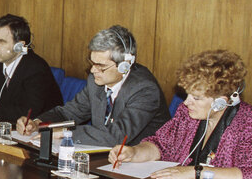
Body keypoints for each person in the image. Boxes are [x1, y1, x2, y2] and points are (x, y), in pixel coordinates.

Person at [108, 50, 252, 179]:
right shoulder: (187, 113)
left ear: (221, 102)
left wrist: (195, 172)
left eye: (196, 98)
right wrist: (134, 152)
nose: (186, 102)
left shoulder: (249, 123)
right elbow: (161, 145)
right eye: (187, 95)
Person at [17, 25, 169, 146]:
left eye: (101, 66)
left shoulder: (145, 90)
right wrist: (37, 123)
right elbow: (69, 112)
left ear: (125, 66)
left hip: (139, 164)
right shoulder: (95, 81)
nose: (92, 70)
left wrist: (66, 133)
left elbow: (116, 136)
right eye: (92, 62)